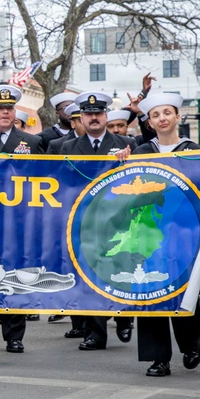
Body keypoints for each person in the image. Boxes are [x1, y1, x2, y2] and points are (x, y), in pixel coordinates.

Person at [130, 93, 200, 377]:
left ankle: (191, 343)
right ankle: (157, 357)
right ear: (149, 122)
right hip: (146, 231)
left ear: (177, 117)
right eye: (155, 115)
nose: (162, 118)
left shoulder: (194, 150)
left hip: (183, 232)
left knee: (184, 288)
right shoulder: (140, 152)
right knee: (148, 289)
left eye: (167, 113)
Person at [59, 92, 135, 351]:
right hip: (87, 221)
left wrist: (127, 161)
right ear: (81, 117)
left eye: (98, 113)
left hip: (120, 220)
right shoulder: (67, 147)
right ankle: (95, 333)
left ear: (106, 116)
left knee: (120, 272)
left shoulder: (127, 143)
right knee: (91, 275)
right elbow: (62, 183)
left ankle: (125, 317)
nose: (93, 118)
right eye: (88, 114)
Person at [0, 84, 43, 354]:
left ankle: (14, 335)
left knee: (14, 276)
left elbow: (43, 181)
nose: (6, 112)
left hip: (18, 220)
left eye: (10, 108)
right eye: (0, 108)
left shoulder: (32, 143)